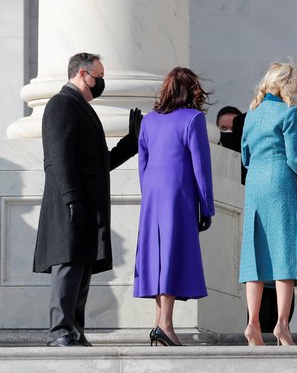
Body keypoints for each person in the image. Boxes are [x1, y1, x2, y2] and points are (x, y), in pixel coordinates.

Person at [33, 52, 142, 347]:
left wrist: (130, 144)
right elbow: (58, 158)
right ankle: (59, 331)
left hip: (85, 203)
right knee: (67, 265)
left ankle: (74, 330)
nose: (101, 83)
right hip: (70, 201)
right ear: (82, 73)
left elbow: (99, 162)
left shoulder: (81, 107)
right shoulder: (62, 104)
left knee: (81, 267)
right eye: (98, 77)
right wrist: (71, 198)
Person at [133, 67, 215, 347]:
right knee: (171, 255)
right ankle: (166, 325)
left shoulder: (148, 121)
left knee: (156, 256)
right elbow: (201, 168)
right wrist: (207, 207)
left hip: (152, 196)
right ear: (192, 90)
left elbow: (142, 163)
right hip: (178, 194)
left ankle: (158, 323)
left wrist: (149, 194)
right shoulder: (194, 119)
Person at [239, 61, 297, 346]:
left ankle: (252, 323)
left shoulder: (252, 114)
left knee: (255, 253)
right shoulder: (290, 112)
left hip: (256, 184)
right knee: (285, 252)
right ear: (288, 85)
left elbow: (245, 157)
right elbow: (295, 157)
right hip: (282, 182)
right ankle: (282, 325)